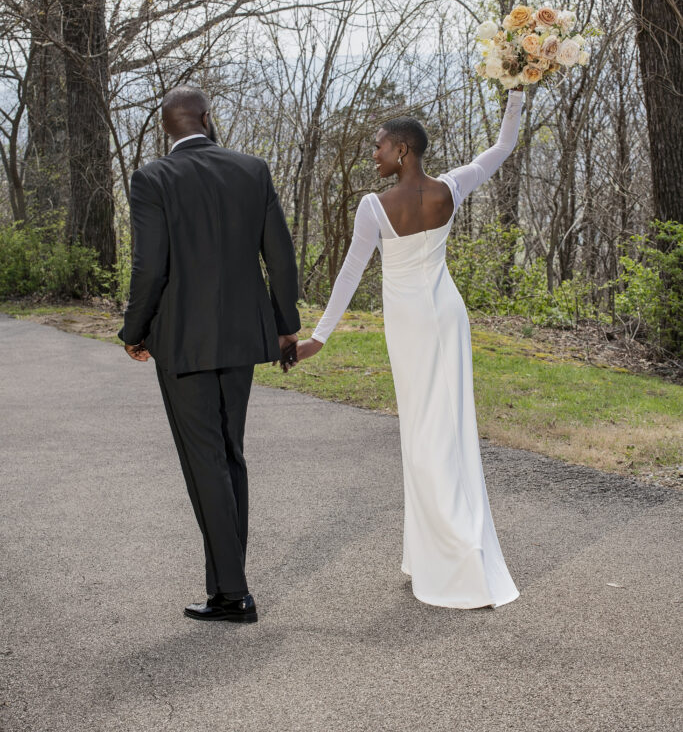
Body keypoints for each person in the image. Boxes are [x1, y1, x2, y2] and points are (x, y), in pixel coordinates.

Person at [296, 91, 525, 609]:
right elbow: (504, 144)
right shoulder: (452, 187)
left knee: (423, 435)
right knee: (453, 428)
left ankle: (454, 555)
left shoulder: (374, 207)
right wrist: (516, 87)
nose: (372, 156)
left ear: (403, 150)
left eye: (378, 147)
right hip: (449, 315)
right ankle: (437, 550)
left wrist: (319, 337)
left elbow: (350, 274)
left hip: (411, 325)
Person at [119, 86, 300, 623]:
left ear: (167, 129)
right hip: (244, 337)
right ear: (205, 118)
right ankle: (230, 584)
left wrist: (135, 329)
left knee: (206, 463)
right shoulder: (253, 169)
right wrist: (286, 326)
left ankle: (232, 593)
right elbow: (281, 258)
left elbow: (150, 268)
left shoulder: (153, 178)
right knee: (229, 454)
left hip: (182, 341)